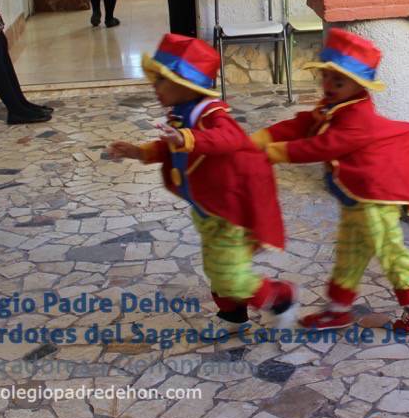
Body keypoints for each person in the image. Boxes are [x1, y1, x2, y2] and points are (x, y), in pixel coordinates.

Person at [250, 29, 409, 334]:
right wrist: (267, 135)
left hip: (375, 197)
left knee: (390, 252)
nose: (328, 85)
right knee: (350, 253)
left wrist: (277, 151)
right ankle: (339, 310)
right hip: (354, 196)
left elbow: (323, 146)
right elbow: (305, 123)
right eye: (326, 77)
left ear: (359, 86)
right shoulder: (334, 107)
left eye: (338, 81)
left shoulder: (358, 118)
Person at [108, 34, 296, 328]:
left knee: (229, 273)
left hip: (231, 209)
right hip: (209, 208)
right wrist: (138, 151)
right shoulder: (181, 115)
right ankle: (232, 315)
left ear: (185, 84)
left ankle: (276, 297)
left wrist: (187, 137)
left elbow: (229, 138)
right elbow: (174, 146)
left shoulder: (211, 114)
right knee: (216, 266)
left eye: (161, 81)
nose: (154, 88)